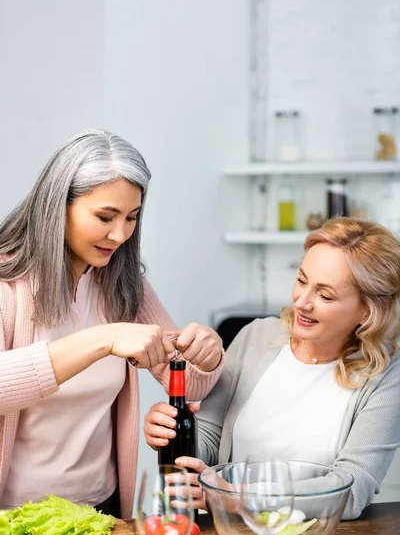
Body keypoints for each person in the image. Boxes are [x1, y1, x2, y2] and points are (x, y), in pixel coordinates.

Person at [0, 129, 223, 518]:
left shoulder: (122, 283)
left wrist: (207, 353)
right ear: (58, 206)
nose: (120, 235)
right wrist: (102, 339)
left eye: (131, 218)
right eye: (105, 217)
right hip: (13, 514)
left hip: (102, 508)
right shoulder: (8, 281)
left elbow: (188, 382)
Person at [145, 217, 400, 519]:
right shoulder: (256, 336)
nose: (302, 302)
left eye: (325, 294)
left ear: (367, 311)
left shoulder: (385, 372)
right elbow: (208, 442)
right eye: (302, 280)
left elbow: (353, 490)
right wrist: (174, 434)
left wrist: (242, 498)